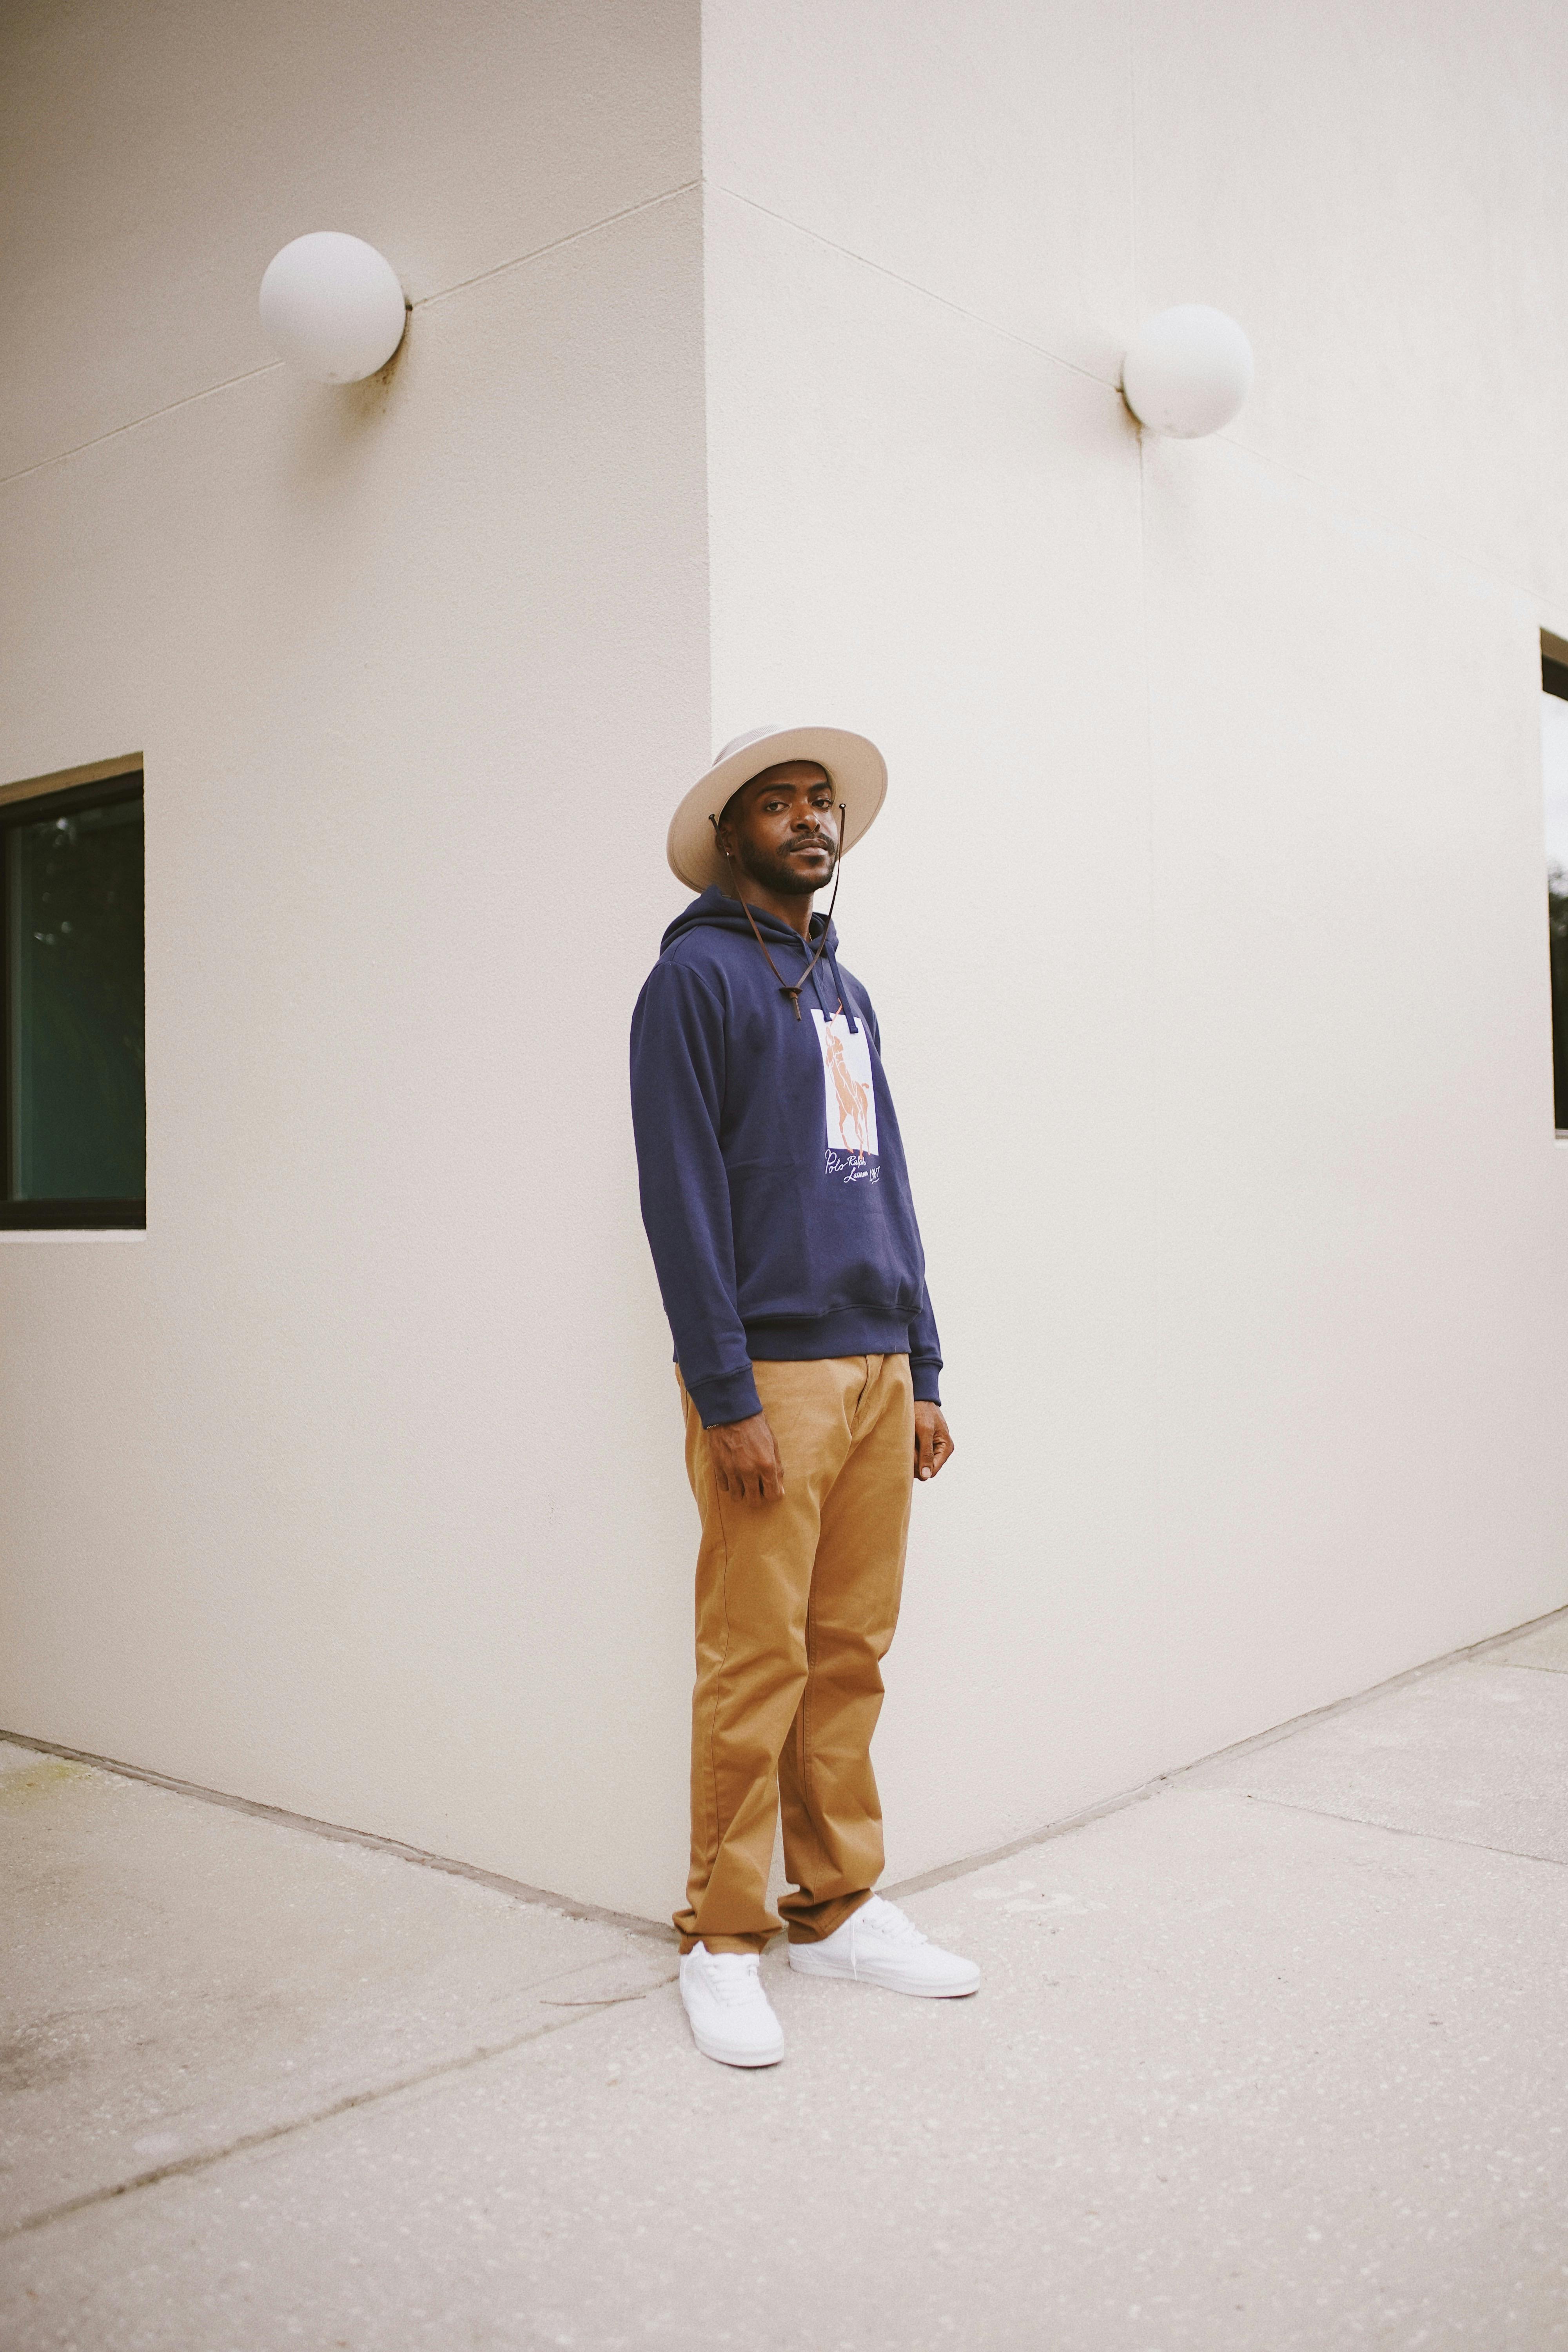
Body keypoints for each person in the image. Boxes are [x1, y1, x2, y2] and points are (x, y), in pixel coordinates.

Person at [630, 724, 979, 2069]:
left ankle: (836, 1907)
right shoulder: (695, 986)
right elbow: (680, 1201)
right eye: (775, 804)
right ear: (732, 840)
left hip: (878, 1365)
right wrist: (726, 1395)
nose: (807, 820)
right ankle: (721, 1940)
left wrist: (925, 1362)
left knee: (849, 1653)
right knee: (756, 1655)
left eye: (820, 802)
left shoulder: (847, 994)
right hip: (768, 1373)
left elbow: (885, 1179)